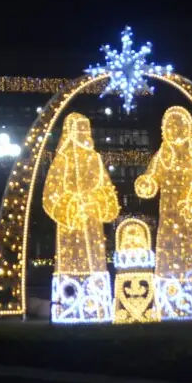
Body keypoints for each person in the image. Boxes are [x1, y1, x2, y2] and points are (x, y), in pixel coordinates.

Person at [136, 106, 192, 320]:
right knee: (171, 251)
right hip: (169, 213)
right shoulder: (163, 153)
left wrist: (191, 198)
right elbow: (152, 175)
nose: (173, 130)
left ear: (187, 128)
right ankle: (170, 301)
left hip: (190, 212)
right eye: (169, 126)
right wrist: (147, 183)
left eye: (178, 125)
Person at [42, 112, 120, 323]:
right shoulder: (63, 159)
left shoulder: (95, 159)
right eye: (81, 129)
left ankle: (96, 306)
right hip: (72, 221)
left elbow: (106, 188)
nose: (85, 133)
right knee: (72, 260)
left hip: (92, 220)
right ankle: (69, 305)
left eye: (87, 129)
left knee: (93, 259)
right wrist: (70, 204)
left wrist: (99, 200)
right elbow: (51, 192)